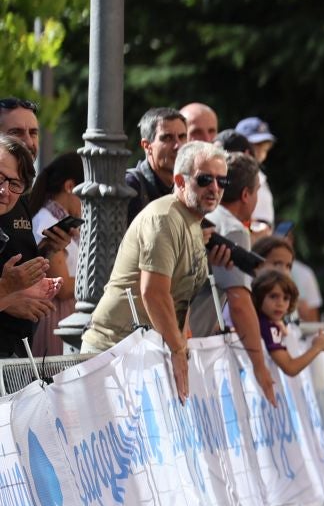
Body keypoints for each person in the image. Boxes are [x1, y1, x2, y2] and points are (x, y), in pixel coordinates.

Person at [79, 140, 232, 401]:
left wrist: (183, 348)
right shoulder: (164, 219)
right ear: (180, 181)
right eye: (205, 179)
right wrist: (178, 350)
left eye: (222, 181)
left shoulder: (193, 222)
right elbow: (154, 293)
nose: (215, 188)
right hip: (111, 355)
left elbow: (179, 298)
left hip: (144, 355)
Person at [189, 151, 278, 402]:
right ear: (246, 195)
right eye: (257, 191)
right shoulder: (234, 229)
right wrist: (259, 366)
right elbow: (239, 301)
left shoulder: (201, 215)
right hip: (193, 346)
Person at [0, 135, 70, 359]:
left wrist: (24, 288)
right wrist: (8, 292)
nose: (5, 191)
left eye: (14, 184)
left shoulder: (20, 207)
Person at [26, 150, 83, 353]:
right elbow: (63, 286)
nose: (85, 202)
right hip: (55, 319)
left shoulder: (57, 220)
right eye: (83, 193)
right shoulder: (47, 221)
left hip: (65, 316)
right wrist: (97, 280)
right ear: (70, 186)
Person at [252, 267, 324, 377]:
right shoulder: (267, 326)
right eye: (273, 296)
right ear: (259, 297)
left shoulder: (271, 323)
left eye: (286, 298)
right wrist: (317, 348)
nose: (280, 303)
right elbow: (290, 368)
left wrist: (316, 346)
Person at [125, 106, 188, 213]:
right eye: (168, 138)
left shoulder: (187, 186)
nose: (178, 145)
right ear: (146, 146)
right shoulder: (130, 187)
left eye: (182, 137)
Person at [233, 116, 278, 233]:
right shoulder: (233, 177)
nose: (259, 153)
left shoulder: (261, 177)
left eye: (263, 148)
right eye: (255, 146)